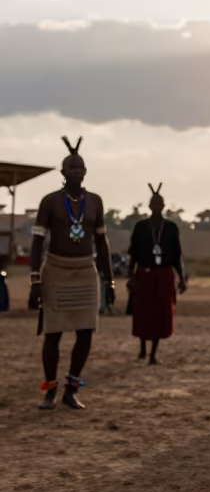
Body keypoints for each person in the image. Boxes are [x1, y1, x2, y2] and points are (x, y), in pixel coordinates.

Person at [28, 137, 114, 410]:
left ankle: (71, 389)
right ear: (62, 172)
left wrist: (109, 280)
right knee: (53, 333)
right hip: (55, 270)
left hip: (86, 271)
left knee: (86, 332)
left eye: (80, 167)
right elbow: (37, 242)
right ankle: (50, 390)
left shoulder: (96, 202)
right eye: (71, 167)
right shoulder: (50, 202)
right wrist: (35, 280)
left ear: (86, 171)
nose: (76, 170)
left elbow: (102, 242)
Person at [127, 183, 187, 365]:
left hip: (164, 273)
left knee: (161, 312)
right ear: (150, 206)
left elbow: (176, 255)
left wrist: (182, 278)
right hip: (144, 273)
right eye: (154, 204)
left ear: (163, 206)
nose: (156, 207)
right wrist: (130, 276)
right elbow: (134, 254)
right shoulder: (141, 227)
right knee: (143, 311)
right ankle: (143, 348)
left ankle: (153, 353)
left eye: (159, 203)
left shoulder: (170, 228)